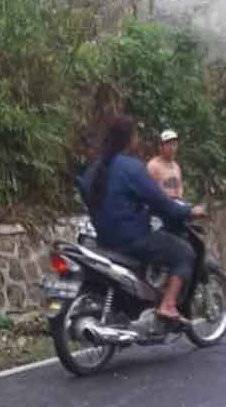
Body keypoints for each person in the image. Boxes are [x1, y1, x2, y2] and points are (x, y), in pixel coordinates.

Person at [82, 115, 205, 325]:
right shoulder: (132, 168)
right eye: (135, 134)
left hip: (104, 240)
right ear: (129, 138)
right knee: (184, 252)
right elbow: (161, 202)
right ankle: (167, 305)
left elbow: (87, 192)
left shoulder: (94, 168)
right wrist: (189, 212)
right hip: (132, 239)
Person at [147, 129, 184, 199]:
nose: (172, 148)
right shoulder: (153, 166)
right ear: (160, 147)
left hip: (175, 205)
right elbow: (148, 191)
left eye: (174, 144)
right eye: (169, 145)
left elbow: (180, 189)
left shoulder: (176, 167)